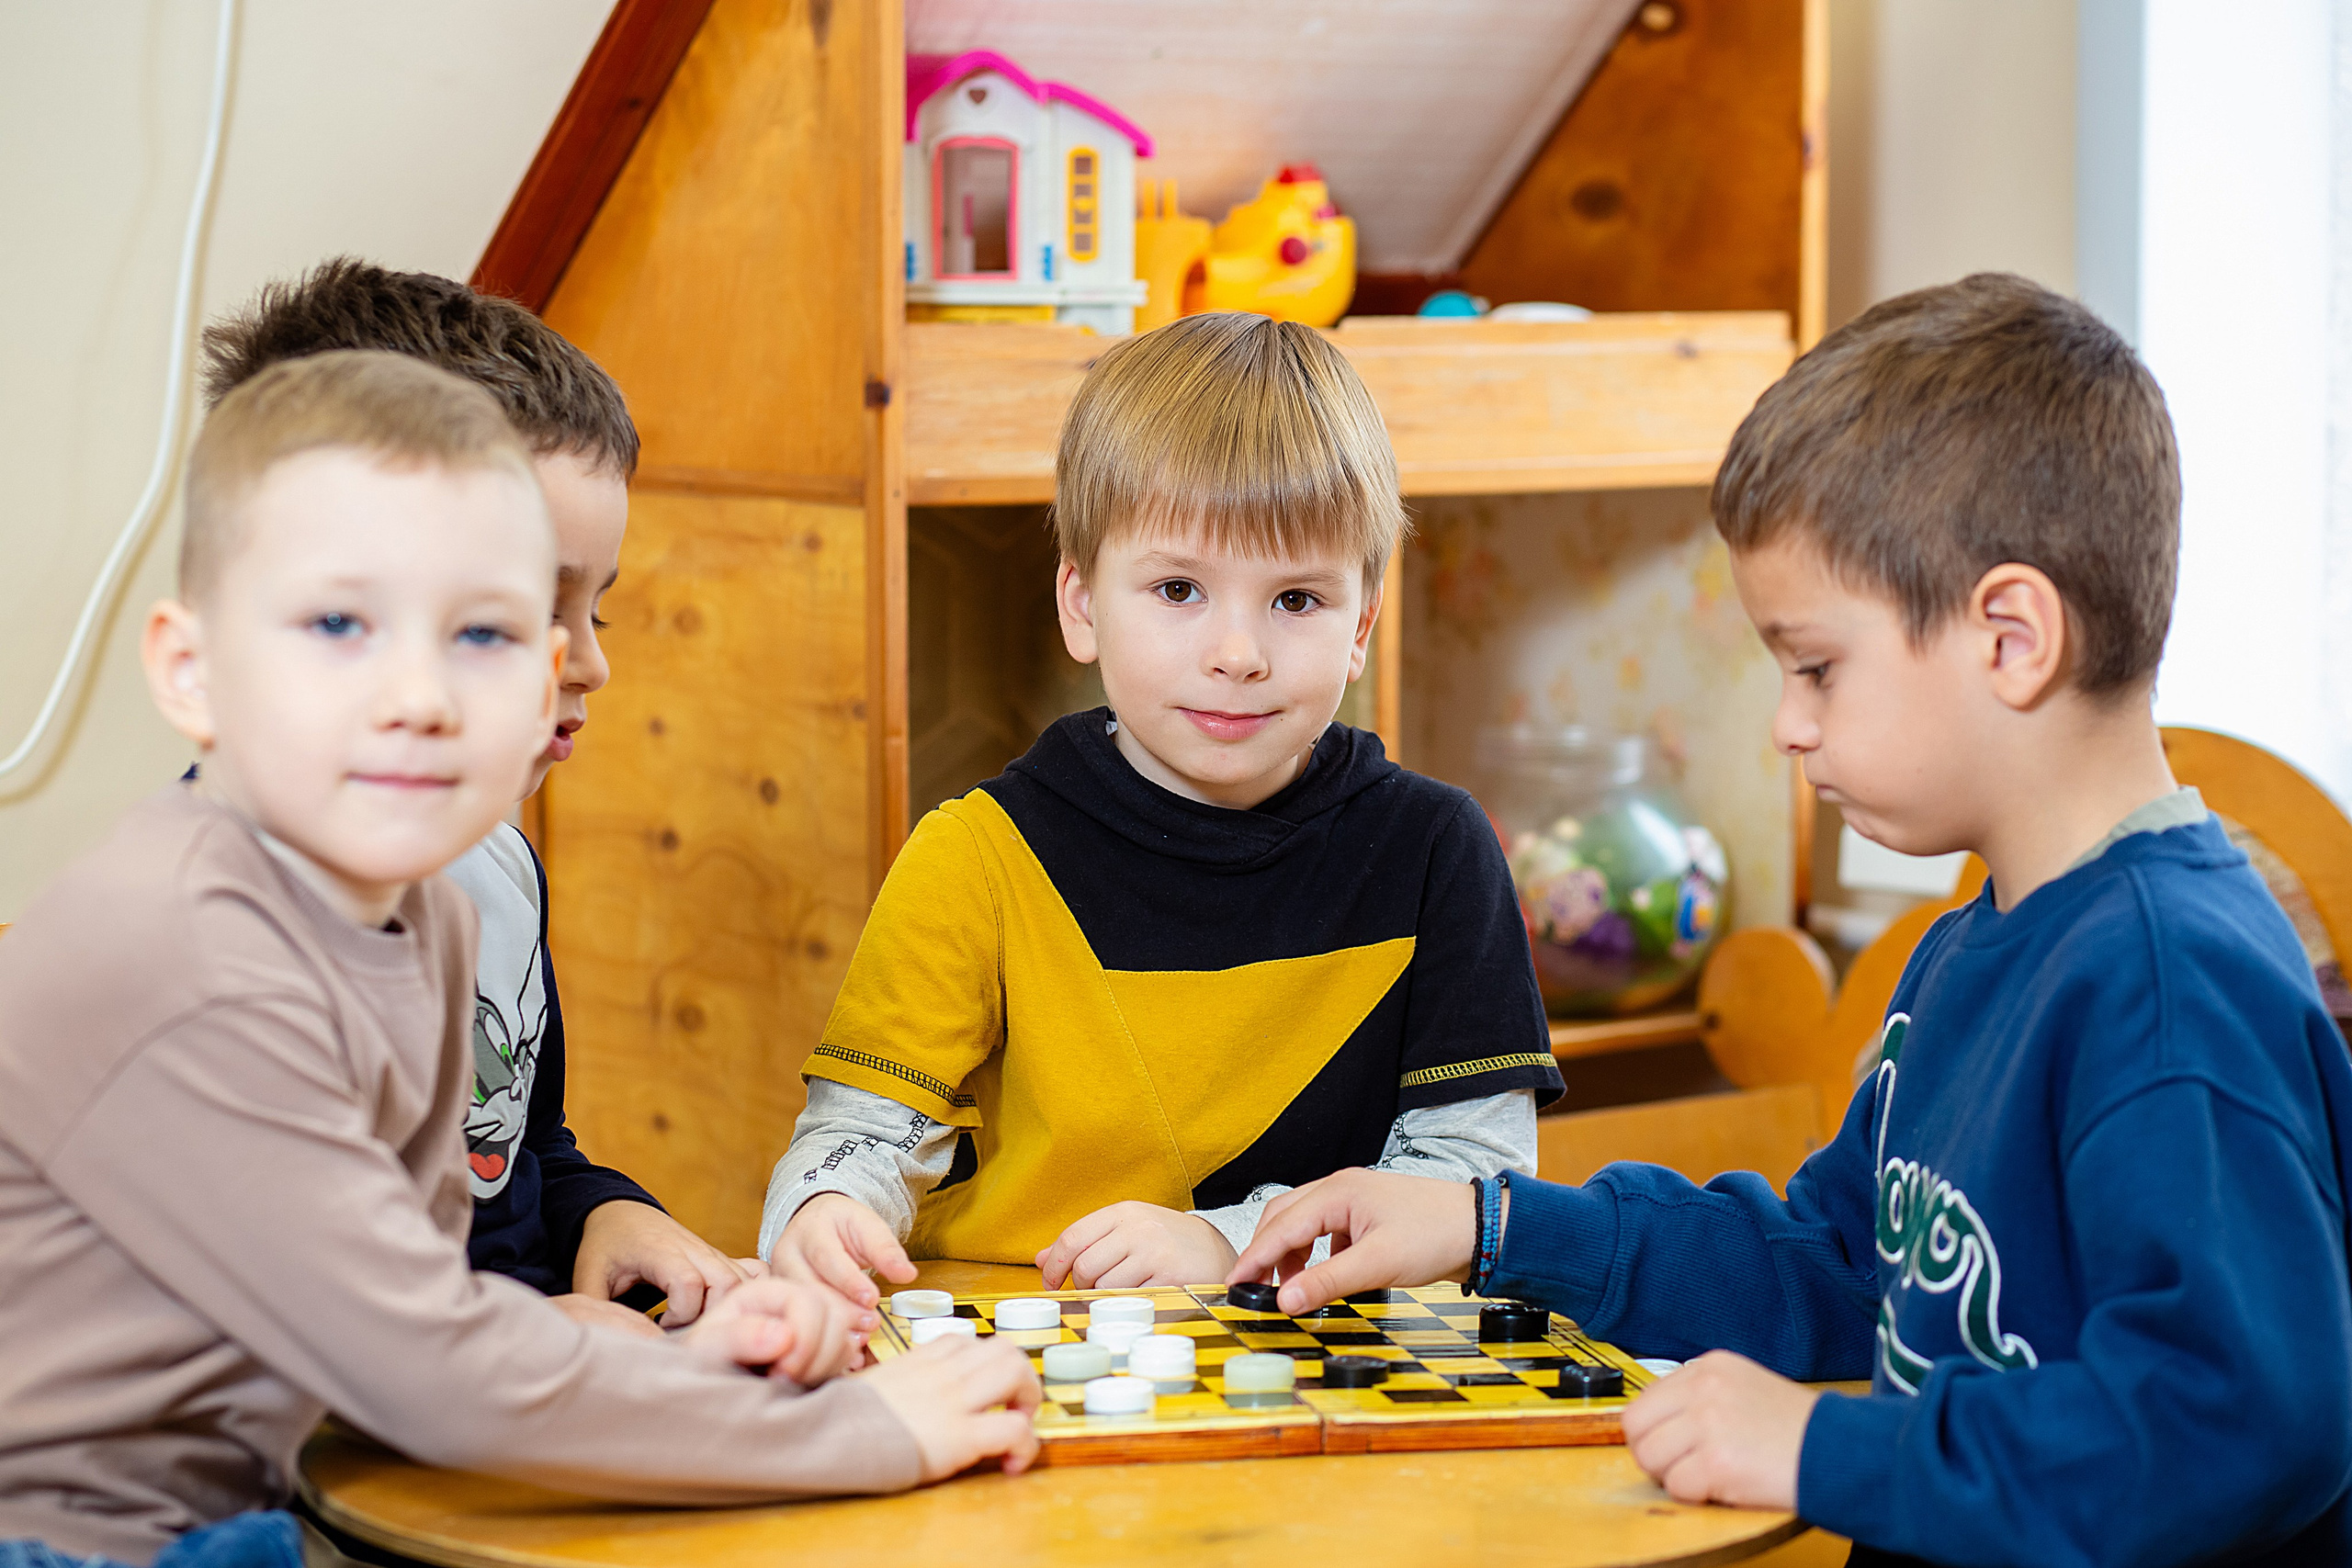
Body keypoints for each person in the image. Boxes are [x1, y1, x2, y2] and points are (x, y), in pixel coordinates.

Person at [1228, 274, 2352, 1566]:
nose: (1787, 721)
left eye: (1816, 665)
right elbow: (1828, 1256)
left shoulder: (2168, 984)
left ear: (2011, 635)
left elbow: (2246, 1419)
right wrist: (1489, 1222)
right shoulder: (1974, 945)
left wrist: (1826, 1449)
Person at [0, 352, 1040, 1568]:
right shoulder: (187, 954)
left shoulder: (432, 911)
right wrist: (866, 1431)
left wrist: (660, 1365)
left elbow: (426, 1303)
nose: (421, 695)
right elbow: (431, 1367)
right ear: (191, 669)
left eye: (485, 632)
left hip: (262, 1504)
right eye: (339, 622)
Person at [762, 311, 1564, 1303]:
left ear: (1360, 626)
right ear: (1082, 605)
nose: (1238, 653)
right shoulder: (973, 856)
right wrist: (822, 1212)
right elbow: (860, 1134)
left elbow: (1473, 1187)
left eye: (1296, 601)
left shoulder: (1439, 851)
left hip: (1327, 1354)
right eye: (1179, 588)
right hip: (1025, 1331)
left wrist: (1229, 1241)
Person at [202, 259, 749, 1334]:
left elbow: (521, 1151)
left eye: (598, 611)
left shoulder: (491, 864)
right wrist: (540, 1349)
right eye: (518, 617)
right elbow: (290, 1322)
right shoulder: (229, 941)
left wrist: (606, 1214)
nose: (588, 663)